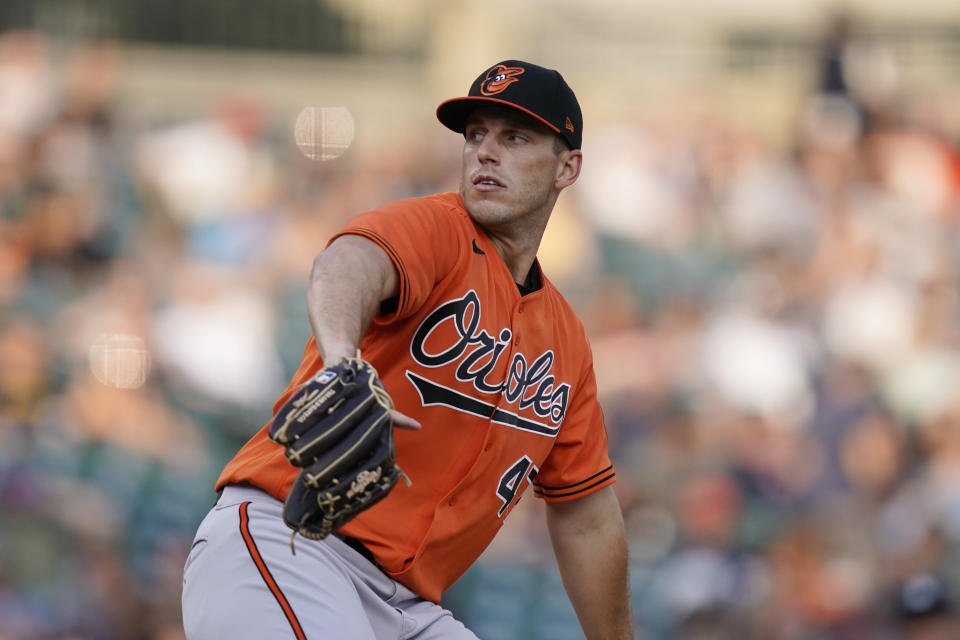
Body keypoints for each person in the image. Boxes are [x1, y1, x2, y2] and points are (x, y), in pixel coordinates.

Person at [181, 59, 633, 640]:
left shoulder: (566, 340)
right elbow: (347, 264)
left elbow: (587, 517)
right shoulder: (437, 229)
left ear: (567, 167)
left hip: (409, 606)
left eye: (515, 137)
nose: (485, 152)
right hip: (294, 548)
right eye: (476, 136)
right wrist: (343, 358)